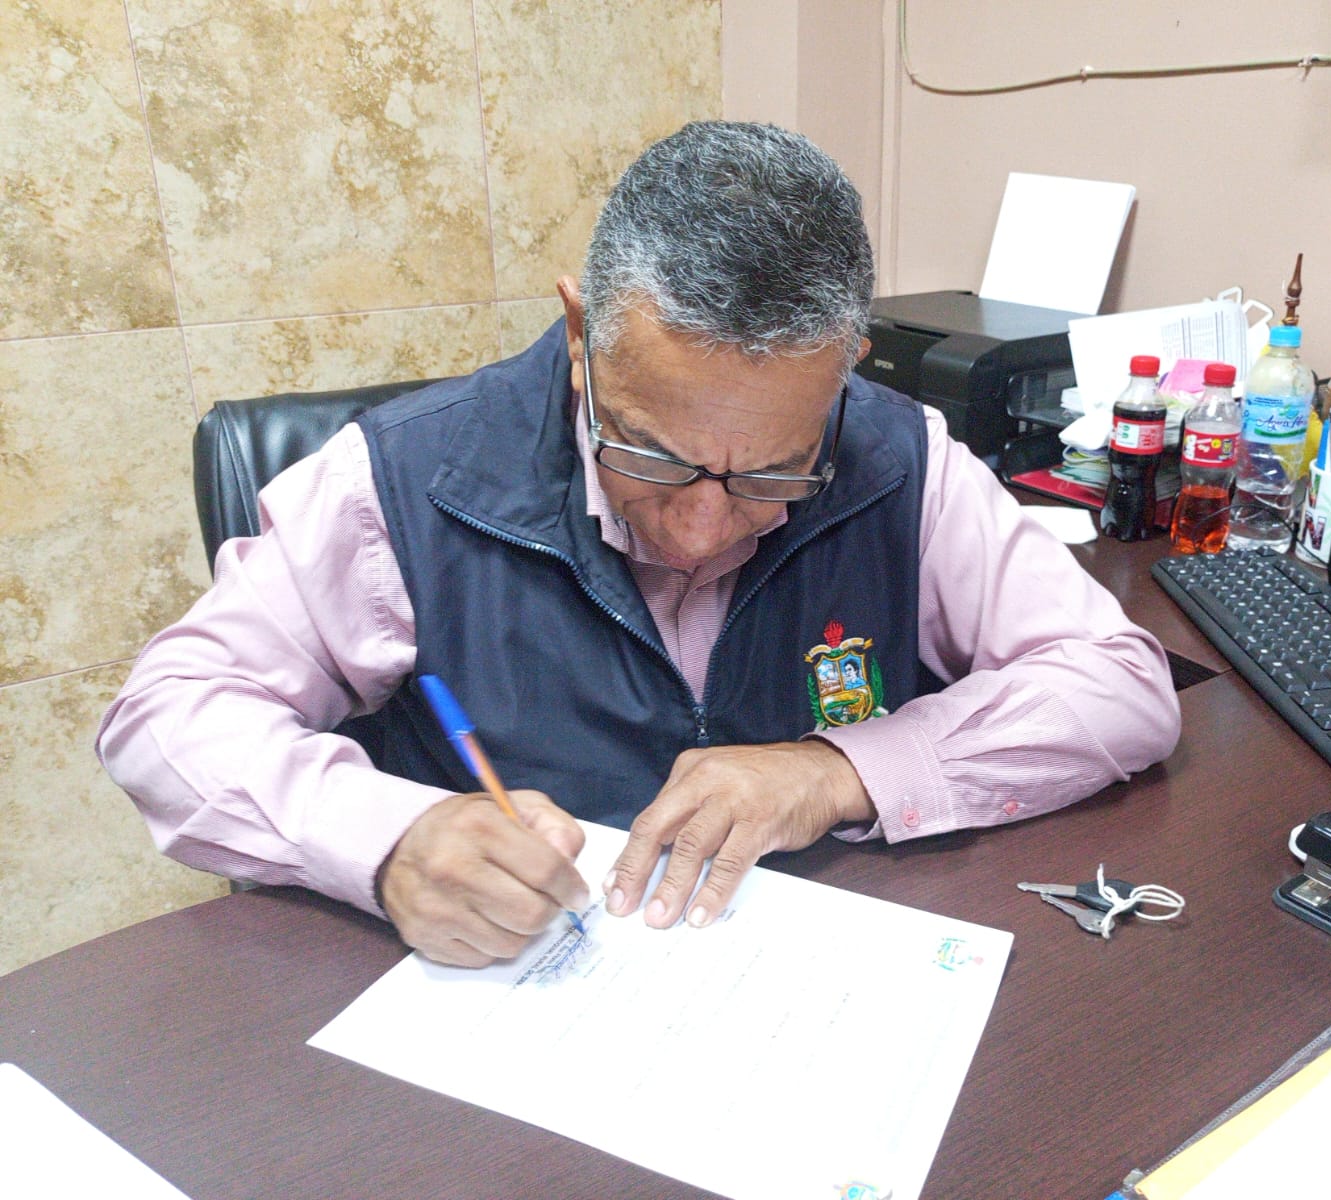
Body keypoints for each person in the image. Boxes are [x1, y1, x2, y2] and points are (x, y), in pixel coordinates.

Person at [98, 121, 1180, 967]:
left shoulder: (898, 457)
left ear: (844, 370)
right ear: (581, 337)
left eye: (772, 471)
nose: (702, 525)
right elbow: (167, 714)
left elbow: (1118, 684)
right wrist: (387, 839)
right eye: (652, 455)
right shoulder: (406, 477)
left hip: (794, 973)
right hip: (513, 992)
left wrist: (837, 770)